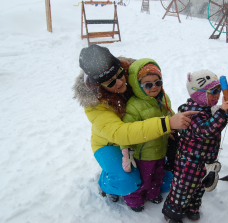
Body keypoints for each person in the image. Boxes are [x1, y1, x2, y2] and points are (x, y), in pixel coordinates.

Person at [73, 45, 198, 203]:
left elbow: (156, 100)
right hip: (110, 143)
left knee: (167, 181)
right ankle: (105, 181)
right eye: (110, 83)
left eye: (120, 74)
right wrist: (166, 124)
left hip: (141, 140)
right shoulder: (93, 102)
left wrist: (171, 121)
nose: (120, 82)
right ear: (99, 86)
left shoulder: (134, 74)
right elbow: (120, 133)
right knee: (128, 183)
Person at [162, 70, 228, 223]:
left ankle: (192, 208)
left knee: (199, 187)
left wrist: (219, 112)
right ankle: (172, 214)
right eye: (213, 91)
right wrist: (221, 114)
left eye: (219, 91)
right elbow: (206, 131)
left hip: (204, 161)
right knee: (182, 190)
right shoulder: (191, 113)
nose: (217, 95)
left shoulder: (207, 109)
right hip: (189, 162)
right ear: (199, 94)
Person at [120, 58, 174, 212]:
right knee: (142, 179)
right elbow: (126, 131)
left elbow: (170, 116)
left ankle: (152, 194)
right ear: (138, 85)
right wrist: (126, 151)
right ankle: (134, 200)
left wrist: (174, 126)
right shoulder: (134, 105)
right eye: (148, 85)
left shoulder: (163, 98)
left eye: (158, 83)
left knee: (158, 175)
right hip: (143, 153)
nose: (154, 88)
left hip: (161, 150)